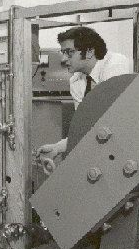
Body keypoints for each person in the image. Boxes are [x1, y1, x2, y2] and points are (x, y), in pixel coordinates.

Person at [37, 26, 131, 174]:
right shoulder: (76, 81)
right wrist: (58, 148)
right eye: (63, 53)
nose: (63, 59)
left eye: (69, 52)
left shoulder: (115, 65)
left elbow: (112, 121)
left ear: (89, 51)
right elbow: (86, 126)